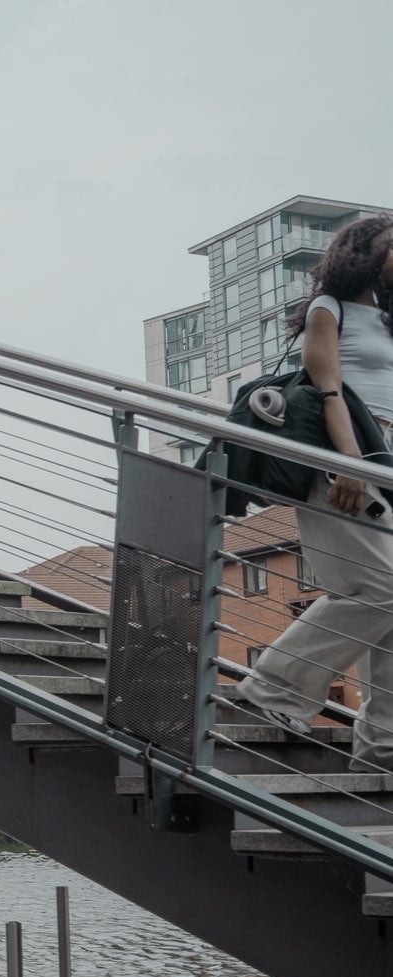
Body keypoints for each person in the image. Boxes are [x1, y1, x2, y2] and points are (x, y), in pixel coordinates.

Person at [236, 214, 393, 770]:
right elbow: (328, 389)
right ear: (364, 254)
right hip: (346, 460)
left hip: (388, 462)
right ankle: (274, 690)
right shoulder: (331, 309)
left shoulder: (388, 320)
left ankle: (382, 750)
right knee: (382, 589)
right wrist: (347, 462)